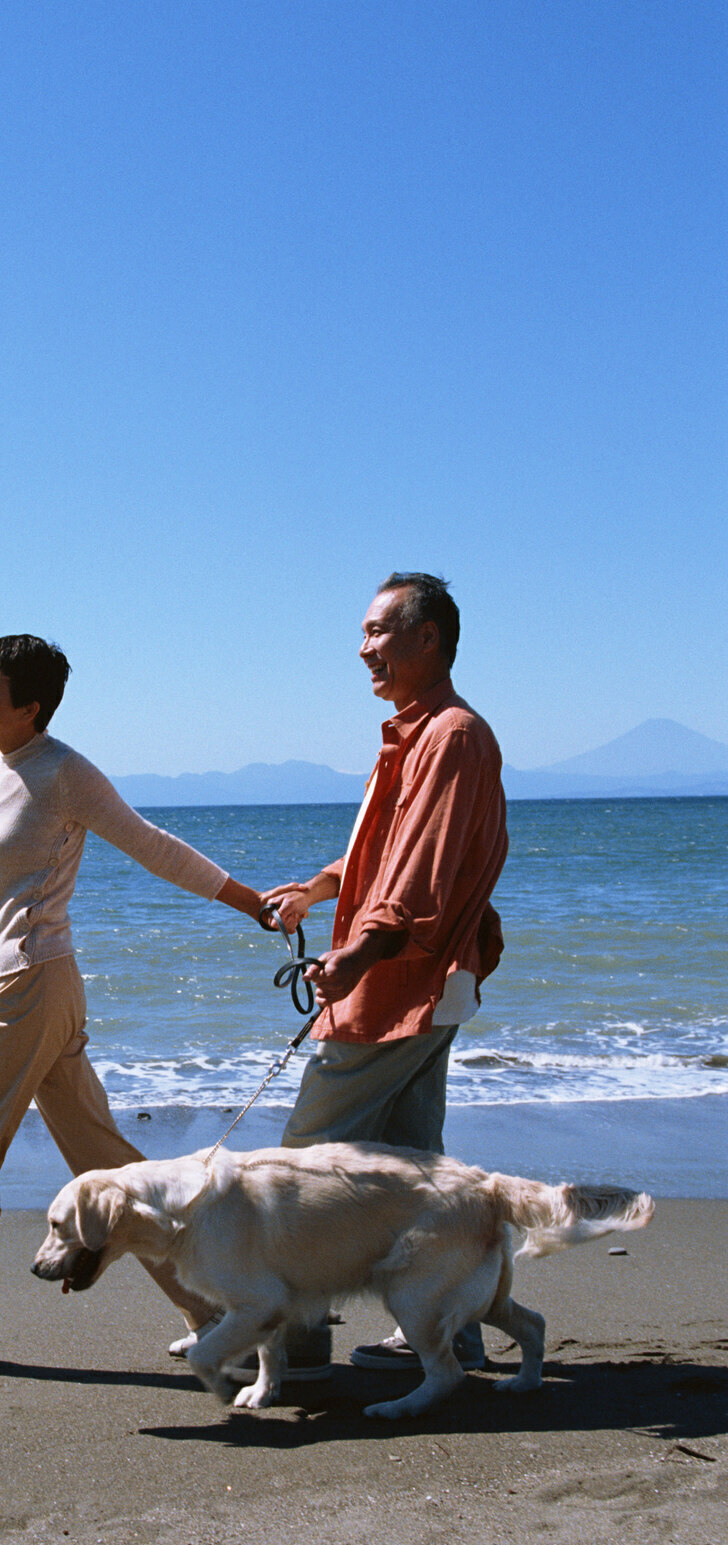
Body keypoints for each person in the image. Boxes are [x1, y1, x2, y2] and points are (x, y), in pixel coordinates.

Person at [0, 634, 263, 1369]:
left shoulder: (64, 773)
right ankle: (219, 1313)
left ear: (32, 706)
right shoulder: (1, 772)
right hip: (29, 985)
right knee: (103, 1159)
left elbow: (153, 845)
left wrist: (249, 903)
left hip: (32, 984)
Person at [262, 572, 507, 1375]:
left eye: (376, 631)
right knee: (416, 1169)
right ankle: (449, 1334)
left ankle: (292, 1347)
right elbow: (387, 850)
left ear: (426, 637)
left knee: (305, 1163)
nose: (363, 648)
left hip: (405, 987)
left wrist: (359, 953)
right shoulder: (420, 731)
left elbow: (421, 878)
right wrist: (323, 886)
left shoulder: (451, 736)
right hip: (422, 986)